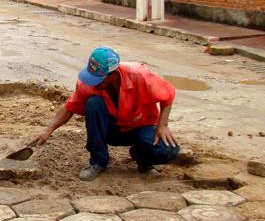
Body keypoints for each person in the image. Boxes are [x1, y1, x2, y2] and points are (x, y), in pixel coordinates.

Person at [34, 46, 180, 181]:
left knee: (169, 150)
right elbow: (69, 107)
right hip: (111, 130)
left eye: (99, 79)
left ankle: (142, 159)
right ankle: (98, 162)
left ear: (113, 74)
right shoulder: (88, 84)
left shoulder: (139, 75)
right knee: (93, 103)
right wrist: (48, 131)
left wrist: (163, 125)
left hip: (141, 126)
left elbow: (168, 95)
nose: (94, 83)